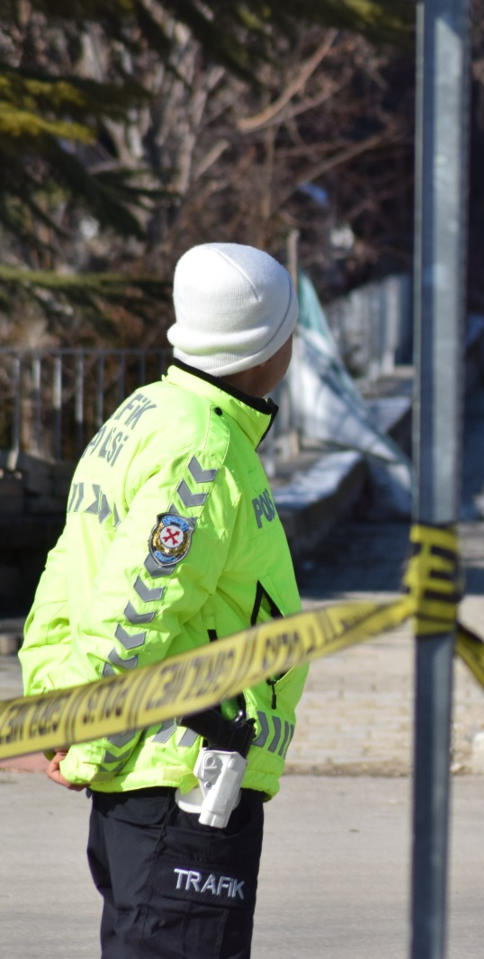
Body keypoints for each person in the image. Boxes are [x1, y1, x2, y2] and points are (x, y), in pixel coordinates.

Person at [19, 242, 305, 958]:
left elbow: (66, 575)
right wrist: (84, 733)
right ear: (265, 345)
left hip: (152, 783)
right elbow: (134, 612)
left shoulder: (145, 414)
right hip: (180, 786)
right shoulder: (202, 449)